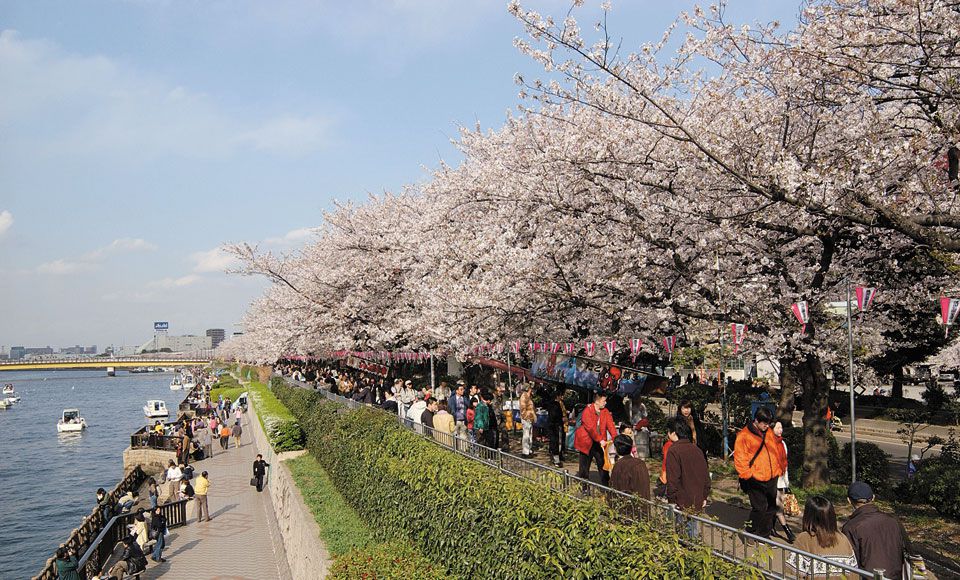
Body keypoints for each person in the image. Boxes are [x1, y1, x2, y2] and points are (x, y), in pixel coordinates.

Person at [733, 406, 786, 538]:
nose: (767, 426)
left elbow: (776, 450)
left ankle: (764, 534)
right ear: (756, 420)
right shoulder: (744, 436)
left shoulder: (768, 432)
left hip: (772, 475)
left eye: (768, 423)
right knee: (759, 508)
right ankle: (749, 531)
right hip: (755, 478)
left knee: (771, 507)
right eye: (764, 423)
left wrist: (780, 468)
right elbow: (740, 459)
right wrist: (748, 475)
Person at [842, 481, 912, 578]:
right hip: (895, 576)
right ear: (873, 497)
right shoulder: (894, 521)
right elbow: (908, 550)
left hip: (869, 577)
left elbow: (851, 561)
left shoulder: (850, 527)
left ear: (849, 501)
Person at [787, 496, 858, 577]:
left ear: (808, 516)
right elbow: (854, 572)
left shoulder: (804, 538)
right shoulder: (843, 538)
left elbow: (792, 573)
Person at [665, 417, 711, 538]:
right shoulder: (697, 449)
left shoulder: (673, 451)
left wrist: (671, 500)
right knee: (692, 531)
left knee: (682, 534)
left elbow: (672, 479)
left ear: (673, 433)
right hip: (697, 498)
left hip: (681, 500)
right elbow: (706, 475)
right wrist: (704, 495)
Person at [574, 392, 618, 486]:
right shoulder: (587, 411)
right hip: (586, 442)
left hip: (599, 442)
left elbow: (611, 426)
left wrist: (616, 438)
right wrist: (600, 439)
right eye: (604, 401)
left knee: (603, 464)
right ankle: (584, 486)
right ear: (597, 401)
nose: (605, 403)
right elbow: (590, 428)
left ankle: (606, 486)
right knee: (584, 466)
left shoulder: (605, 411)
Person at [609, 434, 651, 502]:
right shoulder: (641, 463)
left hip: (627, 507)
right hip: (644, 504)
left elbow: (615, 488)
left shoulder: (619, 465)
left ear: (616, 449)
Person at [773, 421, 796, 542]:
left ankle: (771, 528)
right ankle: (788, 532)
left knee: (777, 506)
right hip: (772, 480)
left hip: (781, 480)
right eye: (777, 427)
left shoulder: (782, 443)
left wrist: (786, 481)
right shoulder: (769, 443)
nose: (780, 430)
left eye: (781, 427)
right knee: (778, 507)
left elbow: (785, 463)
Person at [545, 390, 566, 467]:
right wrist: (561, 419)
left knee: (553, 442)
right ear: (557, 396)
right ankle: (556, 461)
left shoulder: (550, 404)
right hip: (556, 426)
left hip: (551, 425)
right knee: (556, 442)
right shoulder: (556, 405)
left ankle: (555, 457)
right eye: (560, 396)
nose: (562, 397)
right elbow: (555, 416)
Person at [519, 384, 536, 458]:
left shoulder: (528, 396)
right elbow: (523, 409)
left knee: (530, 435)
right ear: (528, 389)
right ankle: (525, 452)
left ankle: (529, 450)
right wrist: (526, 417)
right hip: (526, 419)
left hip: (530, 418)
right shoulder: (524, 397)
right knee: (526, 435)